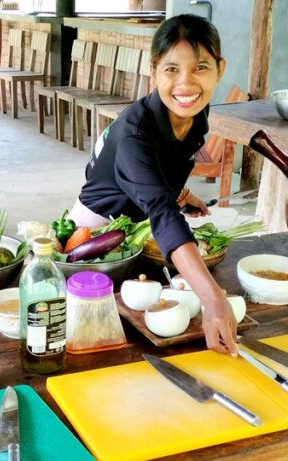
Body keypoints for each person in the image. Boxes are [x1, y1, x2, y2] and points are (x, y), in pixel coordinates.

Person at [69, 14, 237, 356]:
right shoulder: (136, 132)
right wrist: (213, 297)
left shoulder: (195, 115)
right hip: (98, 234)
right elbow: (160, 211)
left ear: (220, 69)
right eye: (172, 69)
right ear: (154, 71)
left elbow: (167, 166)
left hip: (141, 228)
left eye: (200, 68)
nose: (186, 85)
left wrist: (183, 193)